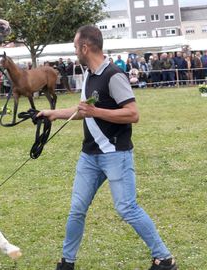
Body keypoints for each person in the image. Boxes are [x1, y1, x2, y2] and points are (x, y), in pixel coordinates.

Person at [37, 25, 177, 270]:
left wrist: (96, 111)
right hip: (89, 156)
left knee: (127, 208)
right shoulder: (90, 75)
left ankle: (164, 259)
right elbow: (82, 110)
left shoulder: (114, 75)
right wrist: (52, 113)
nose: (74, 51)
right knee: (77, 209)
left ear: (85, 47)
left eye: (74, 46)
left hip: (116, 154)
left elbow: (133, 114)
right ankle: (67, 263)